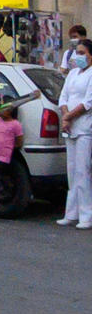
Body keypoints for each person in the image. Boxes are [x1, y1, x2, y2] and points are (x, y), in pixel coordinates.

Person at [56, 37, 92, 228]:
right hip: (69, 128)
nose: (78, 57)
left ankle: (87, 215)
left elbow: (88, 103)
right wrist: (65, 116)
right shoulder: (73, 73)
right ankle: (71, 213)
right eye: (77, 53)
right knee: (71, 171)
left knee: (83, 170)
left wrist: (69, 116)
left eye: (82, 53)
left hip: (85, 128)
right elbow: (63, 97)